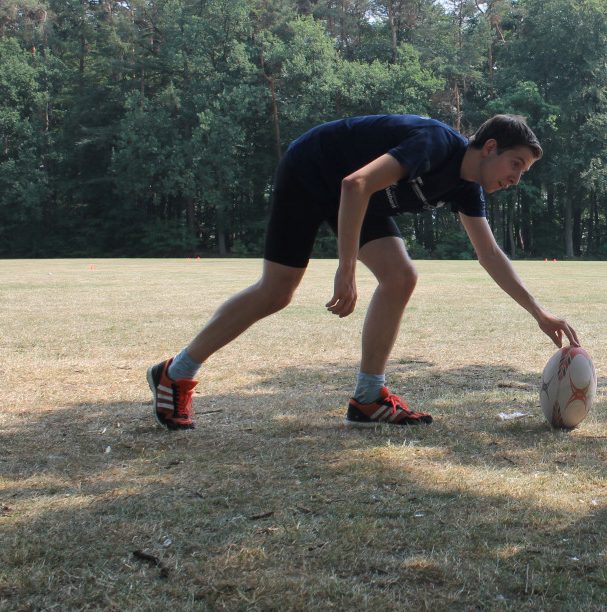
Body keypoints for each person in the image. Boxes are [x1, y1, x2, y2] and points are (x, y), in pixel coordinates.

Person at [147, 113, 580, 431]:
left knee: (401, 276)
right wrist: (347, 268)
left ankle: (369, 397)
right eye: (517, 164)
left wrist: (539, 314)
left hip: (360, 198)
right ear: (490, 148)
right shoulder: (434, 143)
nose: (517, 177)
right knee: (277, 292)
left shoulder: (466, 188)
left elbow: (489, 254)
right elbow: (354, 183)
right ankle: (176, 371)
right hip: (310, 172)